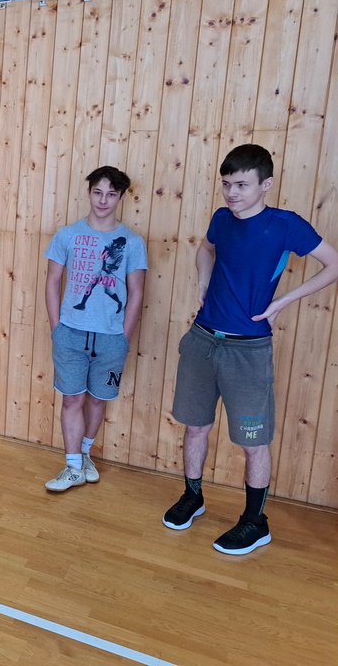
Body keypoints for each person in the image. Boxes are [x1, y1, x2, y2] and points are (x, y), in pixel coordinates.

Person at [162, 144, 338, 555]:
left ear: (266, 184)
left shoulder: (285, 225)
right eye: (226, 184)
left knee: (253, 442)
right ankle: (193, 496)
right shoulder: (221, 219)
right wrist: (203, 281)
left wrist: (282, 302)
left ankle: (256, 522)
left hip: (249, 350)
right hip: (202, 340)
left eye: (241, 185)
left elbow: (334, 263)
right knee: (195, 426)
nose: (231, 193)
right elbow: (206, 248)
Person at [43, 166, 147, 492]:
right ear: (89, 193)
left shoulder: (133, 242)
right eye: (98, 192)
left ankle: (85, 454)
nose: (103, 200)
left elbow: (137, 292)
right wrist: (57, 328)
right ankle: (73, 466)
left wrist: (124, 337)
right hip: (70, 333)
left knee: (98, 400)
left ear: (121, 198)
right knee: (71, 400)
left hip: (111, 338)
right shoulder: (67, 235)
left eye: (111, 194)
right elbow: (52, 282)